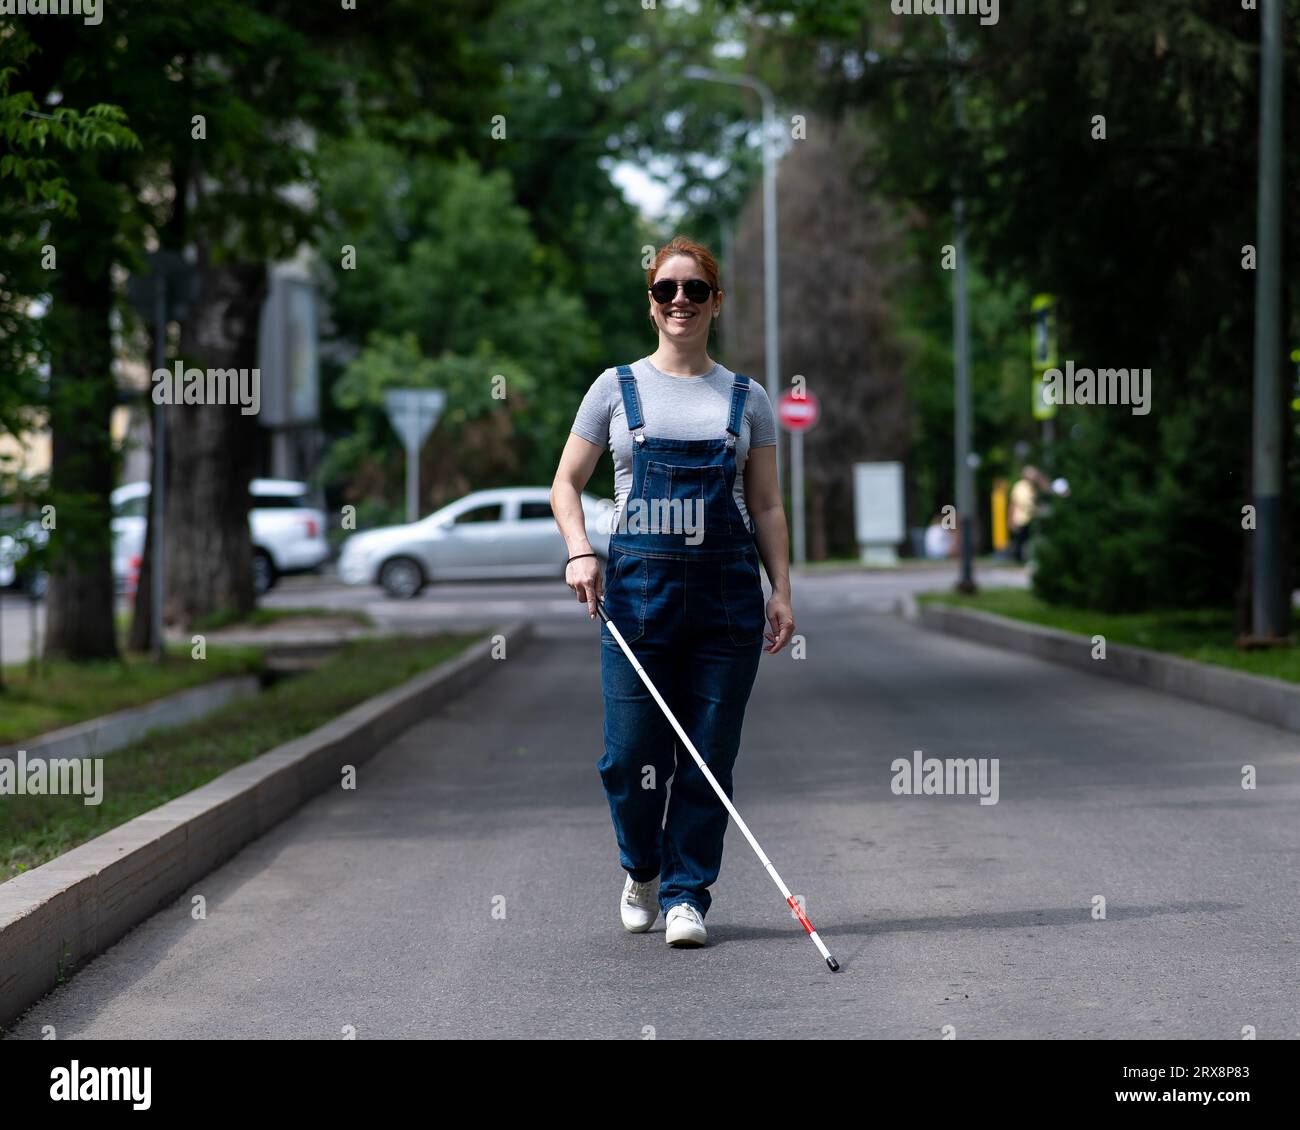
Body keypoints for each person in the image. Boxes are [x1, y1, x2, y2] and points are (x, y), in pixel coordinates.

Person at [550, 235, 793, 950]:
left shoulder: (747, 400)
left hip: (726, 601)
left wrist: (781, 589)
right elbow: (565, 483)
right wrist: (579, 553)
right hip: (636, 598)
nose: (679, 301)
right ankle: (643, 867)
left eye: (694, 290)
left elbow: (769, 506)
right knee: (628, 758)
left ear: (716, 301)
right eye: (666, 290)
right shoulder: (613, 389)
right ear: (651, 304)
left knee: (708, 756)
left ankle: (688, 895)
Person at [1007, 465, 1041, 563]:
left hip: (1032, 519)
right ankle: (1017, 559)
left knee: (1029, 542)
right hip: (1020, 518)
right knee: (1019, 541)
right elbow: (1013, 503)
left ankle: (1026, 559)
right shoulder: (1019, 486)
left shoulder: (1035, 487)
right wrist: (1010, 519)